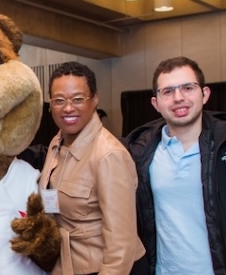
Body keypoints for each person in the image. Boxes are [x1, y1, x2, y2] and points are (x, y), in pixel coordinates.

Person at [124, 56, 226, 275]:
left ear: (204, 94)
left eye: (187, 87)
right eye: (167, 91)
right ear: (155, 103)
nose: (178, 98)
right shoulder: (138, 151)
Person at [38, 61, 144, 274]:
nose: (68, 108)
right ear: (50, 104)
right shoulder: (56, 143)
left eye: (78, 99)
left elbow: (121, 247)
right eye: (59, 100)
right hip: (67, 265)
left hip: (103, 268)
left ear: (94, 99)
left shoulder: (109, 155)